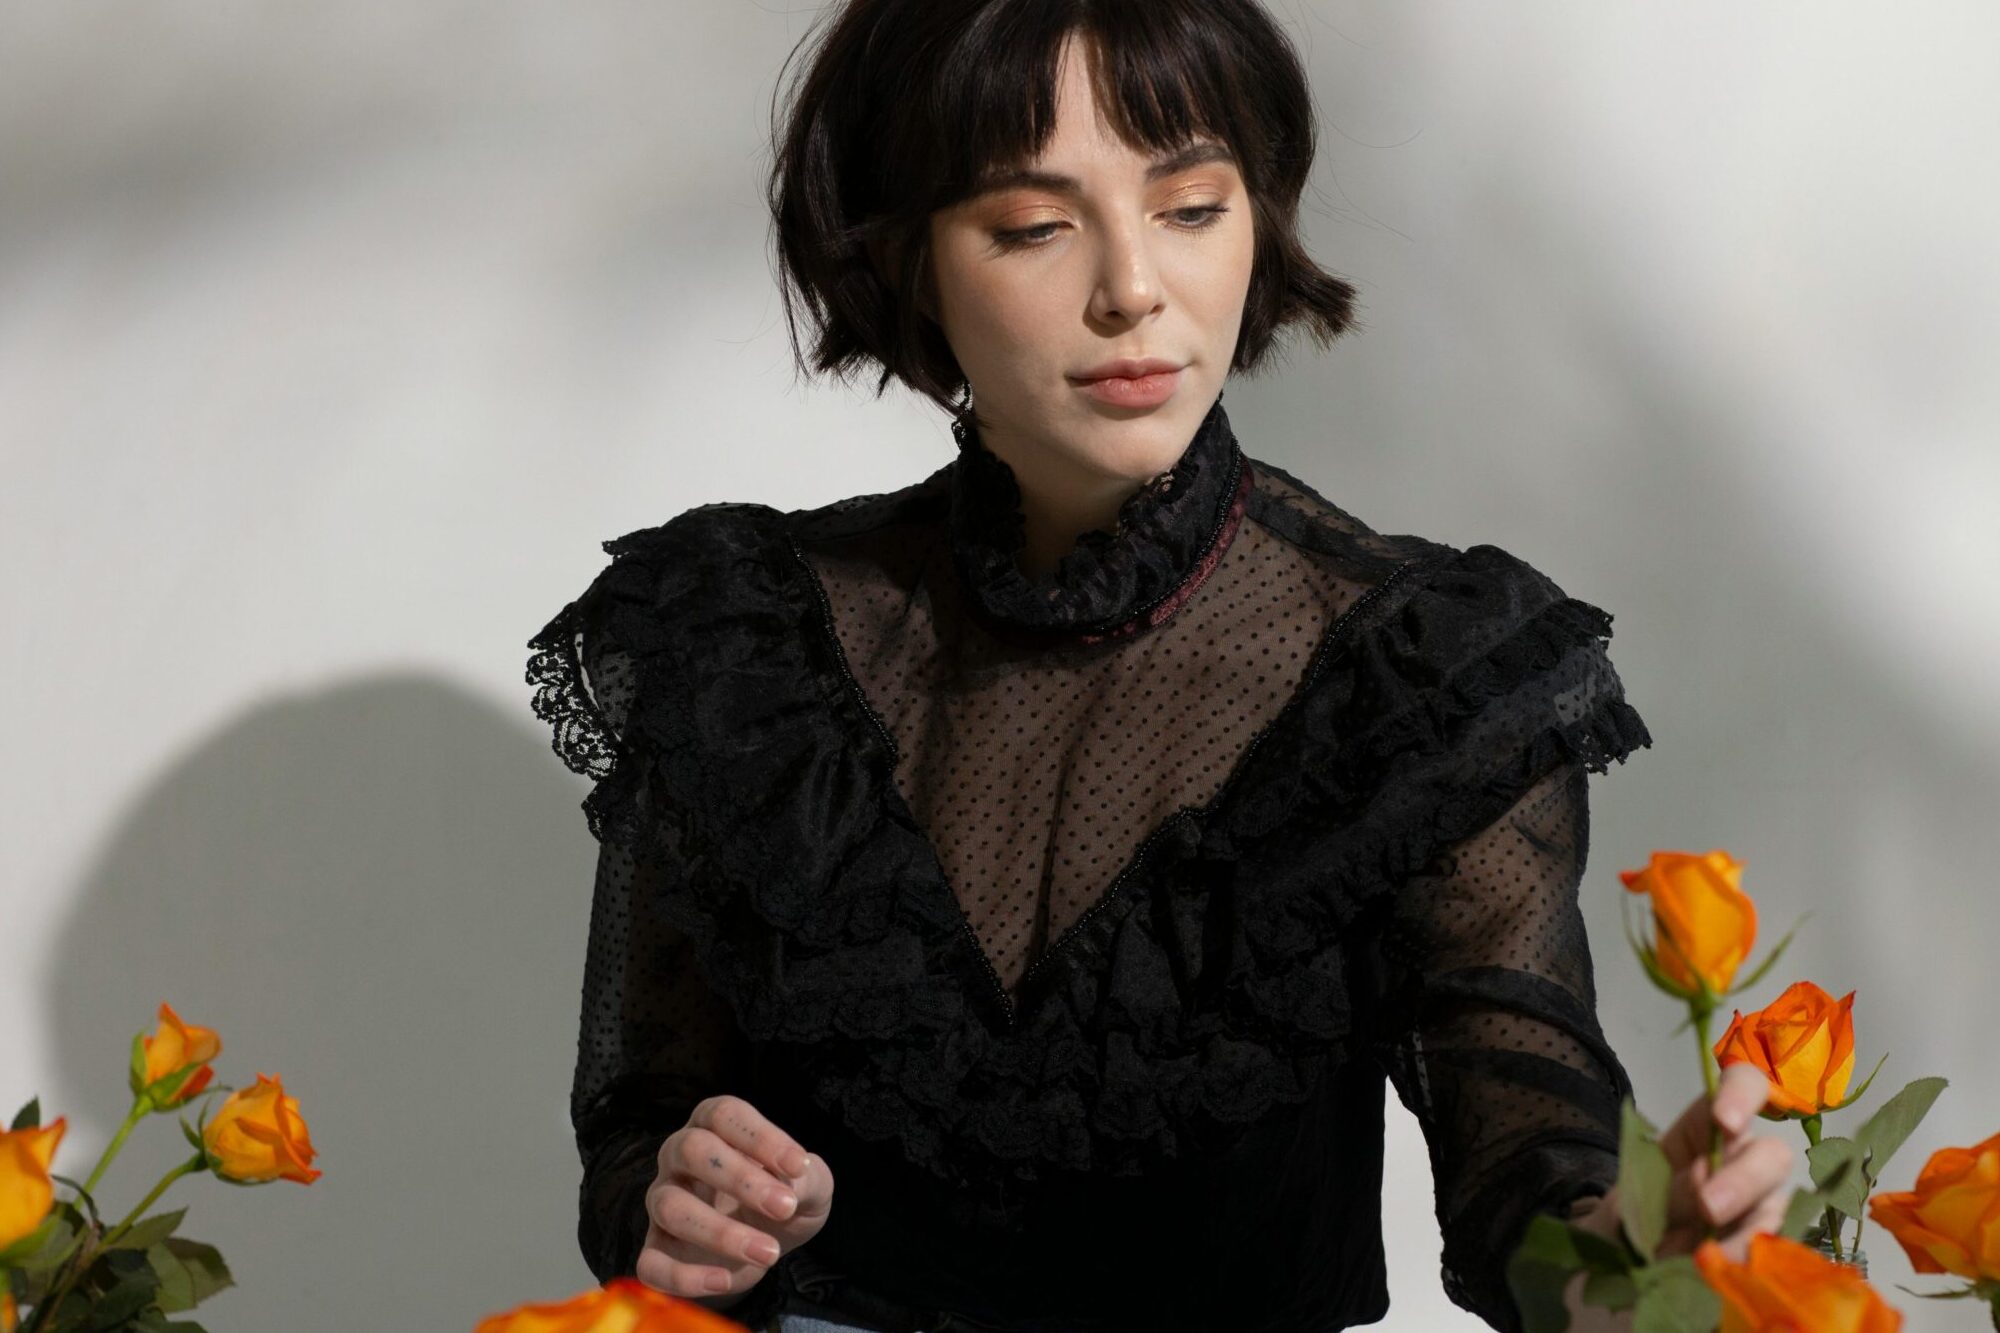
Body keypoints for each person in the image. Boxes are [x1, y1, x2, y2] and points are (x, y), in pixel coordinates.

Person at [524, 3, 1797, 1330]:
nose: (1133, 287)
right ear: (907, 260)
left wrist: (1640, 1245)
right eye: (1033, 224)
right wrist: (677, 1204)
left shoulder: (1418, 672)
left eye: (1190, 206)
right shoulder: (741, 646)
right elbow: (642, 1133)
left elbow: (1529, 1169)